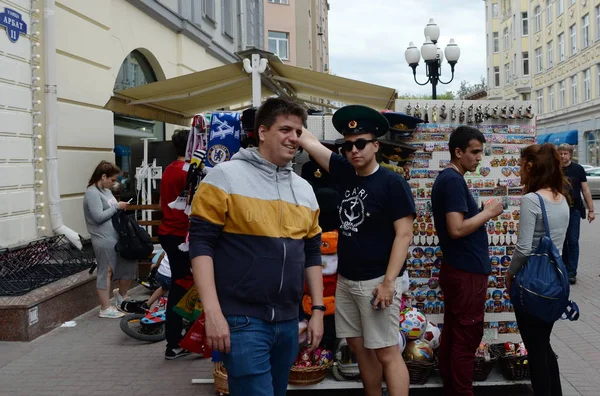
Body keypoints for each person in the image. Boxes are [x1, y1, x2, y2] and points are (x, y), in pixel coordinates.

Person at [188, 98, 324, 396]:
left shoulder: (305, 189)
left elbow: (312, 252)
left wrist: (316, 310)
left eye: (299, 131)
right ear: (262, 132)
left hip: (288, 321)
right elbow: (200, 246)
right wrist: (213, 313)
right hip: (242, 319)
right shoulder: (224, 177)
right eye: (285, 129)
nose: (294, 138)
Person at [298, 105, 414, 396]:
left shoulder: (393, 183)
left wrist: (389, 283)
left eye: (360, 143)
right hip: (347, 280)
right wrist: (288, 119)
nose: (353, 150)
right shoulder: (345, 173)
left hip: (377, 282)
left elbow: (404, 234)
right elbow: (310, 143)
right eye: (348, 145)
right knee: (359, 348)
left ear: (375, 145)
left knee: (387, 352)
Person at [431, 126, 504, 396]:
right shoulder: (451, 180)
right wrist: (490, 213)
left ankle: (453, 389)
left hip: (460, 269)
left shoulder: (451, 179)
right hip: (465, 272)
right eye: (474, 152)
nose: (478, 158)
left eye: (481, 152)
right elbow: (457, 228)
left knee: (454, 335)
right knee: (466, 338)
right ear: (458, 152)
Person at [506, 143, 570, 396]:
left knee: (536, 350)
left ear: (531, 166)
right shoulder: (561, 198)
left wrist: (510, 274)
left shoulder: (532, 199)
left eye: (521, 165)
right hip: (555, 282)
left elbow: (523, 248)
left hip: (533, 285)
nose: (519, 171)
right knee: (543, 345)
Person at [157, 128, 193, 360]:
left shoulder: (170, 169)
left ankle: (179, 337)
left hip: (168, 232)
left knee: (182, 285)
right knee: (181, 286)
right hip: (181, 235)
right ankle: (174, 342)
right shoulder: (188, 172)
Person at [83, 160, 135, 319]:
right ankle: (105, 307)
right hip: (103, 239)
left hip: (116, 236)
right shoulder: (92, 193)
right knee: (106, 271)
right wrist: (116, 207)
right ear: (103, 176)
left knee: (127, 265)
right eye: (112, 180)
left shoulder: (106, 191)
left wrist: (119, 208)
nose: (115, 183)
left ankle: (121, 296)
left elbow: (112, 210)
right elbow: (98, 217)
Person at [556, 143, 595, 284]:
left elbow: (585, 190)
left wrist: (591, 210)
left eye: (565, 153)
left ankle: (572, 272)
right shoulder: (554, 169)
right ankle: (563, 269)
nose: (563, 156)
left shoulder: (578, 169)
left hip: (574, 210)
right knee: (562, 241)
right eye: (560, 153)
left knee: (572, 240)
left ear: (570, 154)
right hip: (557, 210)